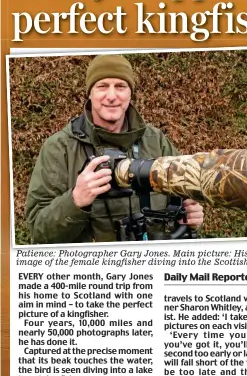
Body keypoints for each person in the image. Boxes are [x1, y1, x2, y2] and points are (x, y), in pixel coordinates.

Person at [25, 54, 204, 243]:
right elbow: (38, 231)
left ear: (130, 93)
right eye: (102, 86)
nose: (111, 96)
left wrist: (192, 216)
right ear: (90, 93)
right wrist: (75, 200)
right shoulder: (60, 148)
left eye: (120, 86)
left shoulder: (155, 140)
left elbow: (185, 200)